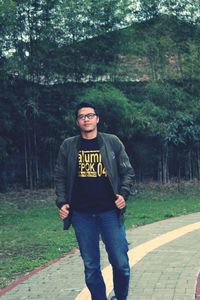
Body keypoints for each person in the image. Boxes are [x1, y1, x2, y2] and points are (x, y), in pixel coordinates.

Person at [55, 102, 135, 300]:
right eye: (82, 116)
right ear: (77, 122)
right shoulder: (68, 145)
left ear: (97, 119)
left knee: (121, 263)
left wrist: (123, 195)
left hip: (110, 212)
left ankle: (121, 297)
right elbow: (60, 176)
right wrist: (62, 202)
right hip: (82, 215)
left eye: (90, 115)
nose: (86, 119)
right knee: (91, 267)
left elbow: (128, 172)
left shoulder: (112, 142)